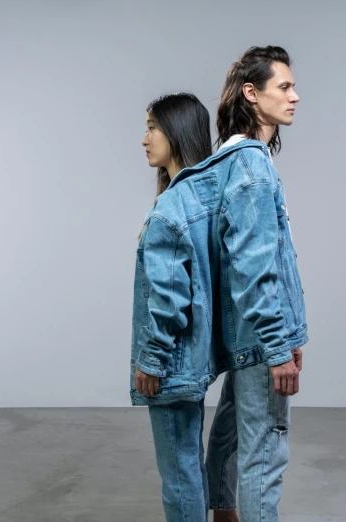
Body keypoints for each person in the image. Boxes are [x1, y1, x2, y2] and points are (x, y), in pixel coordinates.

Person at [206, 45, 307, 522]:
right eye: (284, 87)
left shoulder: (227, 162)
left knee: (231, 432)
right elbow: (254, 268)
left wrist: (284, 336)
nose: (295, 96)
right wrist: (278, 345)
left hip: (244, 336)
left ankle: (223, 512)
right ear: (252, 93)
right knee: (264, 453)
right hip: (258, 340)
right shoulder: (251, 169)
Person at [130, 92, 215, 521]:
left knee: (178, 474)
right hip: (196, 360)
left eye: (151, 127)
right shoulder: (204, 199)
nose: (144, 138)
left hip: (171, 364)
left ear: (176, 133)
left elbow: (168, 298)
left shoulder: (170, 209)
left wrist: (151, 359)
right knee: (190, 465)